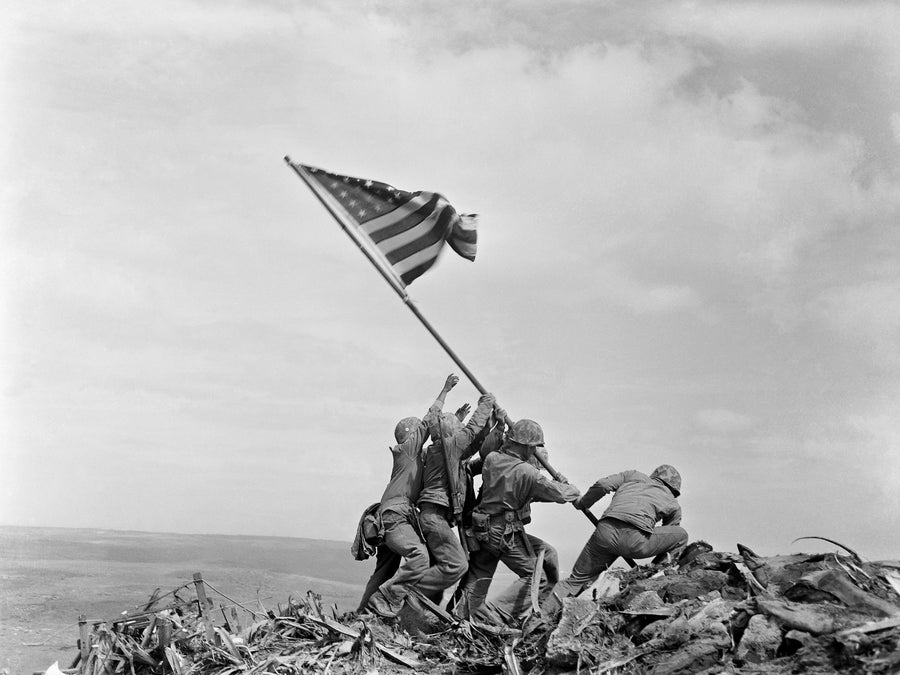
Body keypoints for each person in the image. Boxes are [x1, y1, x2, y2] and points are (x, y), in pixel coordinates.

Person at [453, 418, 581, 623]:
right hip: (503, 533)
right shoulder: (527, 472)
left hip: (482, 529)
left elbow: (526, 492)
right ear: (527, 447)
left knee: (481, 575)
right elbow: (559, 495)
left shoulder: (492, 459)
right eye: (533, 448)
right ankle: (494, 614)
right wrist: (569, 486)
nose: (534, 452)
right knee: (537, 578)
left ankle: (461, 617)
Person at [363, 374, 459, 618]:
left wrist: (456, 420)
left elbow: (440, 439)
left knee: (384, 570)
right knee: (419, 556)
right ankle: (388, 599)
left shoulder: (413, 458)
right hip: (396, 516)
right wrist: (445, 390)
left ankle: (362, 614)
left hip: (391, 516)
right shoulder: (406, 450)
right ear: (410, 435)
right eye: (417, 432)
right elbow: (429, 421)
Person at [545, 464, 688, 613]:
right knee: (681, 535)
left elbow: (603, 484)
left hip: (605, 533)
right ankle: (656, 576)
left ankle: (540, 617)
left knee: (574, 581)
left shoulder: (633, 475)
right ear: (674, 489)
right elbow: (669, 535)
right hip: (635, 541)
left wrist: (583, 503)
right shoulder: (673, 503)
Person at [412, 390, 496, 604]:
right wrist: (485, 404)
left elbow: (474, 442)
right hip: (434, 517)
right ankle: (408, 592)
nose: (462, 433)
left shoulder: (441, 450)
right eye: (458, 429)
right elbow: (471, 430)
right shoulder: (448, 447)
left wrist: (491, 425)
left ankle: (418, 608)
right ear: (451, 433)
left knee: (439, 568)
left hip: (434, 516)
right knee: (457, 565)